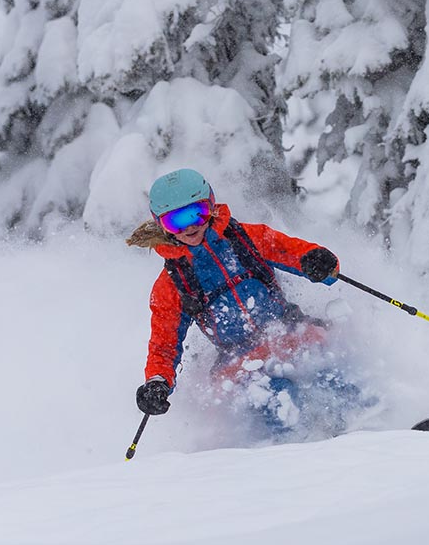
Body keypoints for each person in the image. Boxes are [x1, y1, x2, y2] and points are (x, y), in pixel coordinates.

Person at [127, 168, 354, 435]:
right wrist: (158, 382)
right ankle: (294, 453)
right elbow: (164, 346)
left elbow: (293, 251)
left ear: (210, 207)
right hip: (241, 362)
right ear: (161, 225)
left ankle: (373, 431)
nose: (189, 226)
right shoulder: (171, 284)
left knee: (330, 379)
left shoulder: (247, 240)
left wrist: (317, 262)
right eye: (176, 221)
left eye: (196, 213)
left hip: (288, 333)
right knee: (278, 398)